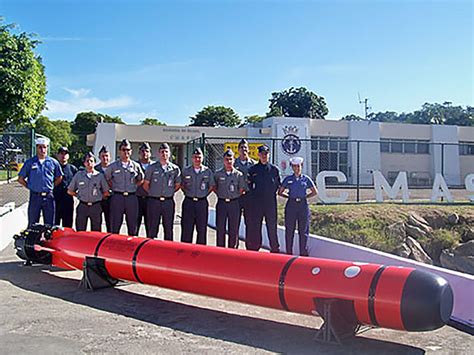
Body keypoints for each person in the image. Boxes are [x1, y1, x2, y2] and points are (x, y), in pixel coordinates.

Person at [18, 137, 63, 227]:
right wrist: (30, 186)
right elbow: (20, 179)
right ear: (36, 148)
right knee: (33, 223)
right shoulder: (30, 162)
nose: (43, 150)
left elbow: (59, 177)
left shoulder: (53, 162)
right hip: (35, 196)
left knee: (49, 224)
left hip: (49, 196)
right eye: (40, 147)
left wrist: (51, 186)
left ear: (47, 148)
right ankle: (33, 240)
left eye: (45, 147)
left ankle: (48, 240)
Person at [278, 157, 318, 256]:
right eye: (294, 166)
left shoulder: (306, 179)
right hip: (291, 205)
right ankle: (289, 253)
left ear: (302, 166)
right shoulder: (288, 179)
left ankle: (303, 253)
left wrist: (305, 197)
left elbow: (314, 191)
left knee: (303, 230)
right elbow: (280, 192)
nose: (297, 168)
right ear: (292, 167)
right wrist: (289, 197)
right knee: (289, 230)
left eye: (298, 166)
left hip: (302, 205)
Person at [105, 139, 144, 236]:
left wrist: (134, 186)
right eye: (123, 150)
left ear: (131, 151)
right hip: (117, 197)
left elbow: (141, 179)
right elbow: (107, 179)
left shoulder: (136, 166)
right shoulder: (113, 166)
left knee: (132, 225)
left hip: (131, 198)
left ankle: (132, 248)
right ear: (119, 151)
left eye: (128, 150)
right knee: (115, 224)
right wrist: (114, 187)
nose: (126, 152)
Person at [143, 143, 181, 240]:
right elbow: (146, 184)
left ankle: (168, 251)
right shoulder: (151, 168)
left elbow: (177, 185)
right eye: (162, 152)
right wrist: (154, 193)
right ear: (159, 153)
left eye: (166, 151)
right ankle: (151, 250)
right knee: (153, 228)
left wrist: (168, 192)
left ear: (169, 153)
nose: (164, 154)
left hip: (168, 202)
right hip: (154, 201)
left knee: (168, 228)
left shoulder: (175, 169)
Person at [247, 144, 281, 253]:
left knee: (272, 227)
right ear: (258, 155)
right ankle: (255, 248)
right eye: (262, 154)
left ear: (269, 155)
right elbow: (249, 186)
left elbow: (277, 185)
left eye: (266, 154)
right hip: (257, 203)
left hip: (270, 203)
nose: (264, 156)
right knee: (256, 226)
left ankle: (275, 249)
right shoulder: (253, 170)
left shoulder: (274, 170)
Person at [180, 147, 215, 245]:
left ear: (202, 158)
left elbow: (211, 186)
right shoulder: (186, 171)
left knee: (202, 229)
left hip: (201, 203)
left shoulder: (207, 172)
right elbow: (181, 185)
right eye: (195, 157)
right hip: (189, 202)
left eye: (199, 157)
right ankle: (185, 251)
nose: (197, 159)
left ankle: (200, 253)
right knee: (187, 229)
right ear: (192, 158)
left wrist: (203, 195)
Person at [213, 149, 246, 248]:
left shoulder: (238, 175)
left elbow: (241, 189)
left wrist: (233, 196)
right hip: (222, 203)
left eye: (230, 159)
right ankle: (220, 250)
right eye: (226, 159)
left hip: (234, 203)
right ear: (223, 160)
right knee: (220, 228)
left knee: (233, 228)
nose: (229, 161)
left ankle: (232, 250)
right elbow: (214, 187)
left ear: (234, 160)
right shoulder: (218, 174)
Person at [68, 153, 110, 231]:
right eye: (87, 161)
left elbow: (106, 192)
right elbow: (70, 191)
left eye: (91, 161)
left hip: (96, 206)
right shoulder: (79, 175)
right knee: (80, 230)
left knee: (96, 231)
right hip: (83, 206)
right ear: (84, 163)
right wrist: (79, 196)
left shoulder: (100, 176)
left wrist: (99, 197)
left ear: (94, 163)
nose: (89, 163)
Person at [234, 139, 256, 246]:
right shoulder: (233, 163)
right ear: (238, 150)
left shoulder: (254, 164)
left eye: (246, 148)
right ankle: (234, 245)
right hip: (237, 196)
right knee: (235, 222)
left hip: (249, 197)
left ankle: (249, 246)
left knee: (250, 222)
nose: (244, 150)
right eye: (242, 147)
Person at [53, 146, 78, 228]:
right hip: (55, 200)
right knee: (54, 226)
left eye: (65, 154)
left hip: (68, 201)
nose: (63, 156)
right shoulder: (53, 168)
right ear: (57, 155)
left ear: (68, 156)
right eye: (61, 153)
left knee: (67, 226)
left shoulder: (73, 169)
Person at [136, 142, 154, 236]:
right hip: (137, 199)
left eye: (147, 151)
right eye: (142, 151)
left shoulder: (155, 166)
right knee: (135, 226)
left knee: (150, 226)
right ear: (139, 153)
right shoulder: (134, 166)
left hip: (150, 199)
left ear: (150, 153)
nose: (144, 153)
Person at [95, 145, 112, 232]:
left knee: (111, 222)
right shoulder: (95, 169)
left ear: (110, 157)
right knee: (97, 222)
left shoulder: (114, 168)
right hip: (98, 199)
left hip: (111, 199)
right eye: (102, 156)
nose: (105, 158)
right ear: (99, 157)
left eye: (106, 156)